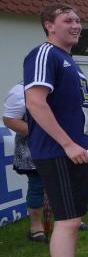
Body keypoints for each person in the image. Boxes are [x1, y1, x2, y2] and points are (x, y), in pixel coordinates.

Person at [24, 2, 88, 257]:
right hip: (57, 152)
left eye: (78, 19)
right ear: (49, 25)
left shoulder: (70, 61)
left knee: (72, 219)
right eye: (67, 20)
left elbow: (80, 112)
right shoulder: (44, 54)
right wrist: (68, 144)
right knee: (68, 221)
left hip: (78, 151)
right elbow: (35, 103)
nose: (76, 25)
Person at [3, 83, 46, 242]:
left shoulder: (62, 84)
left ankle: (71, 219)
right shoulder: (21, 90)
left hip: (63, 146)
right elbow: (9, 119)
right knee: (37, 186)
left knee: (66, 184)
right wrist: (42, 131)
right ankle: (36, 227)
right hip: (32, 148)